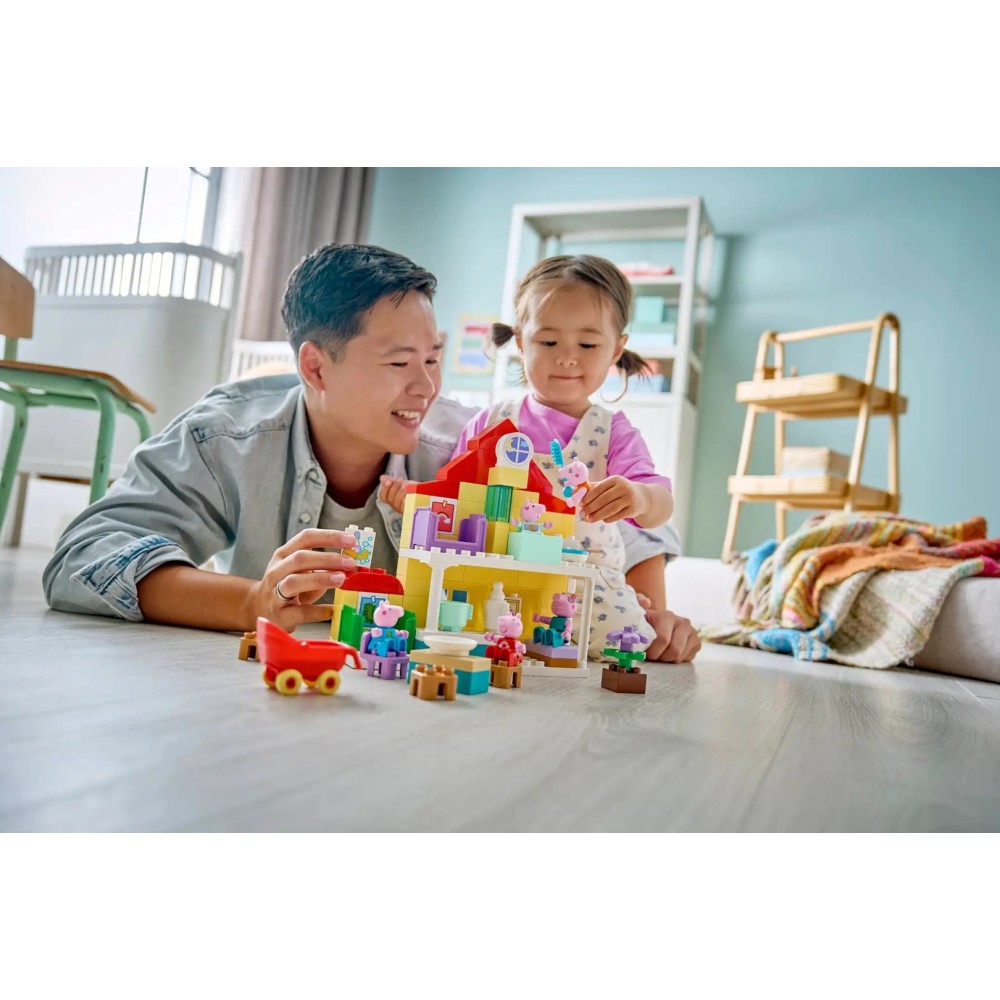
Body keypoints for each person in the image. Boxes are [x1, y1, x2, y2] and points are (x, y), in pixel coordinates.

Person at [43, 242, 697, 660]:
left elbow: (606, 508)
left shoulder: (473, 442)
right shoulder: (225, 440)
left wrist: (654, 615)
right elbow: (83, 556)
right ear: (315, 366)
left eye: (434, 359)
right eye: (399, 362)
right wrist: (247, 603)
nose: (427, 386)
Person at [445, 254, 699, 662]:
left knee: (636, 640)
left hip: (584, 582)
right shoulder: (491, 422)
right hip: (497, 570)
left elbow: (660, 506)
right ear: (521, 341)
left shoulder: (614, 432)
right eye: (548, 342)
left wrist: (638, 496)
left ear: (616, 349)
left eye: (587, 344)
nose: (566, 357)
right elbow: (451, 491)